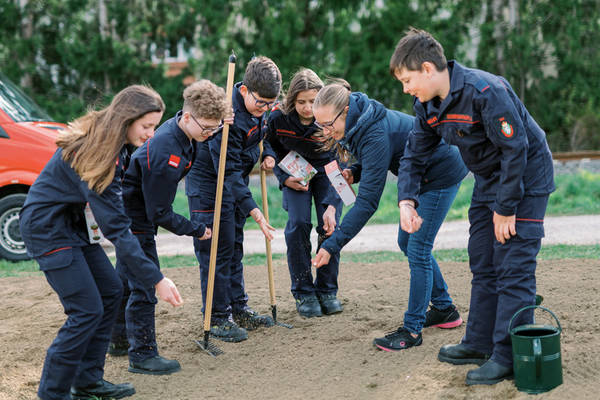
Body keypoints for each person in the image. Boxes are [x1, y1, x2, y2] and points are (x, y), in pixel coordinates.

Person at [390, 28, 555, 385]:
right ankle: (479, 343)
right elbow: (413, 156)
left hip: (525, 177)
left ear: (427, 69)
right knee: (482, 258)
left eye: (407, 80)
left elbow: (516, 149)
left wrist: (506, 208)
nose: (405, 89)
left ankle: (508, 356)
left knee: (512, 265)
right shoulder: (427, 106)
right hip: (487, 180)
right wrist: (406, 200)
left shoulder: (486, 91)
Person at [19, 85, 183, 400]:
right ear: (126, 119)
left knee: (110, 290)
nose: (151, 134)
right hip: (47, 229)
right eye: (146, 126)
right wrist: (156, 279)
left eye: (155, 126)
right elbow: (118, 229)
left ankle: (87, 381)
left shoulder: (116, 146)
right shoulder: (97, 153)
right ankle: (52, 393)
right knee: (85, 310)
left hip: (74, 226)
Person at [311, 80, 468, 350]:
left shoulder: (372, 131)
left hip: (440, 174)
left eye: (328, 124)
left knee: (418, 249)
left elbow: (368, 203)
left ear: (346, 111)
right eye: (320, 125)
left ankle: (412, 330)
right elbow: (383, 156)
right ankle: (444, 309)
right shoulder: (360, 121)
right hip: (420, 175)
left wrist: (332, 244)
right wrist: (355, 172)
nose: (325, 131)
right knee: (406, 242)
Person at [107, 80, 230, 375]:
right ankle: (143, 354)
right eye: (206, 128)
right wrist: (195, 229)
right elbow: (159, 213)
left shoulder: (187, 133)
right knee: (145, 285)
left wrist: (219, 125)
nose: (210, 134)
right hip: (134, 219)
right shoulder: (166, 151)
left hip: (139, 213)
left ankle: (119, 339)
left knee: (124, 280)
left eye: (215, 129)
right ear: (187, 117)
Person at [185, 56, 281, 342]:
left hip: (234, 185)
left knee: (234, 246)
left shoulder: (260, 107)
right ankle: (217, 317)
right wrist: (254, 210)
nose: (265, 109)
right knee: (217, 251)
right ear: (244, 90)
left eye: (270, 104)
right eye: (261, 103)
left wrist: (268, 153)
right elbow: (227, 172)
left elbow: (264, 136)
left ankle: (238, 308)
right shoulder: (226, 117)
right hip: (210, 187)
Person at [266, 68, 344, 318]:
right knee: (298, 224)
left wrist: (334, 202)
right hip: (295, 172)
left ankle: (327, 290)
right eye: (301, 102)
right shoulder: (278, 118)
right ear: (292, 100)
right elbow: (269, 145)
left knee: (329, 226)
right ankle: (304, 292)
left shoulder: (332, 116)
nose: (308, 108)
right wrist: (284, 178)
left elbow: (343, 159)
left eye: (313, 101)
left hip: (329, 171)